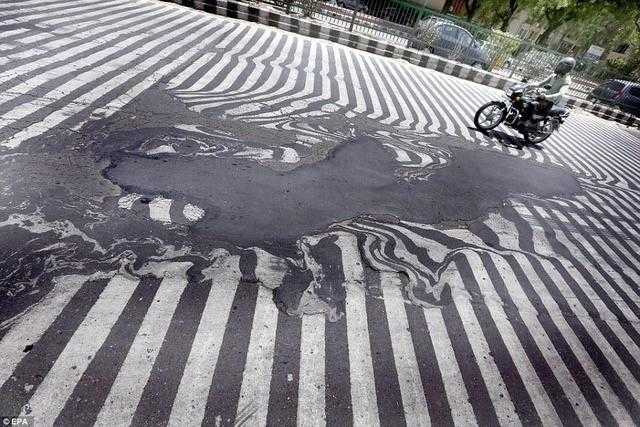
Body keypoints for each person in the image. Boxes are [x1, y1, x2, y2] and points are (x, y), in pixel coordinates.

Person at [524, 57, 576, 124]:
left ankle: (531, 124)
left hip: (549, 101)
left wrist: (546, 97)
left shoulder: (566, 81)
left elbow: (560, 93)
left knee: (532, 106)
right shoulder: (554, 75)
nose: (558, 67)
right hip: (542, 98)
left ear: (567, 68)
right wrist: (528, 85)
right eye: (559, 64)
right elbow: (540, 84)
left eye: (561, 66)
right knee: (525, 103)